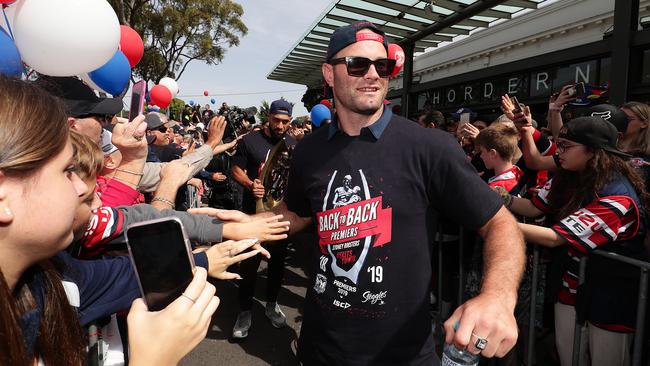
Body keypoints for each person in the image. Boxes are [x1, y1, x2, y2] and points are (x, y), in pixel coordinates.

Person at [209, 21, 524, 365]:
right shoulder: (309, 151)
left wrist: (498, 295)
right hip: (320, 349)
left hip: (402, 355)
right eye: (358, 64)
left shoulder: (430, 147)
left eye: (383, 65)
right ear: (329, 74)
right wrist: (240, 226)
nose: (373, 73)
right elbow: (296, 214)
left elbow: (500, 223)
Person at [0, 76, 237, 366]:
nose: (86, 191)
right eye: (66, 171)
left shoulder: (49, 278)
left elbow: (118, 275)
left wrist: (205, 260)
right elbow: (132, 220)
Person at [504, 116, 648, 366]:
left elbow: (555, 238)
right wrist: (496, 199)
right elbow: (535, 207)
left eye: (567, 146)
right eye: (559, 145)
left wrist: (494, 223)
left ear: (594, 151)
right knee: (569, 358)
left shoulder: (618, 195)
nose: (558, 153)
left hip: (611, 297)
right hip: (570, 288)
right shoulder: (570, 176)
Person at [229, 99, 295, 339]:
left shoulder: (291, 142)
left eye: (285, 121)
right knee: (249, 263)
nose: (280, 125)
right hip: (252, 215)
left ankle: (271, 304)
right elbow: (235, 169)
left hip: (279, 217)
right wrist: (250, 184)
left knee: (277, 264)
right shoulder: (250, 140)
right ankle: (245, 311)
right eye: (276, 120)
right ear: (268, 117)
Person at [475, 123, 524, 194]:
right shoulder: (518, 172)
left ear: (492, 153)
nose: (481, 156)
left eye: (482, 151)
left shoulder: (495, 190)